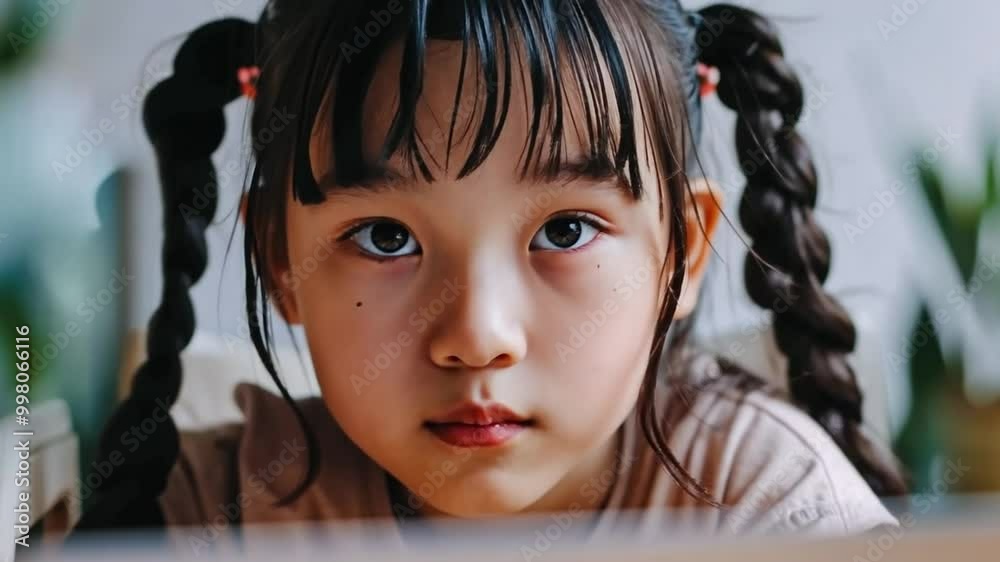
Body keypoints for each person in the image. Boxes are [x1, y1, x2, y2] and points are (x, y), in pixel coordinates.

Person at [75, 0, 906, 552]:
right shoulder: (209, 513)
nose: (477, 336)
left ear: (680, 254)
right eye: (386, 236)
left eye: (566, 228)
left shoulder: (762, 504)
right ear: (281, 259)